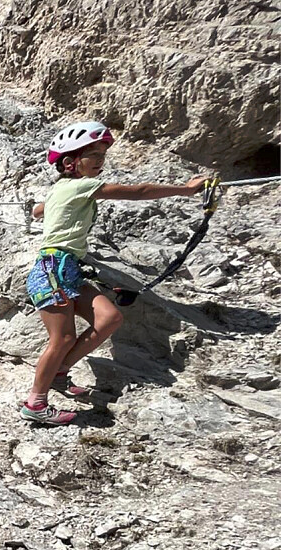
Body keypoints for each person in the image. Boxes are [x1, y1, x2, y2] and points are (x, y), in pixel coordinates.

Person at [21, 121, 209, 424]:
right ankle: (35, 403)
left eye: (102, 156)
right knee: (63, 337)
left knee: (109, 317)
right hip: (53, 267)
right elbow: (137, 191)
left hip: (65, 269)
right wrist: (185, 190)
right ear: (70, 163)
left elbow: (42, 209)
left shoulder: (61, 189)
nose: (100, 161)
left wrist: (35, 210)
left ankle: (58, 373)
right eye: (93, 155)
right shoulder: (81, 185)